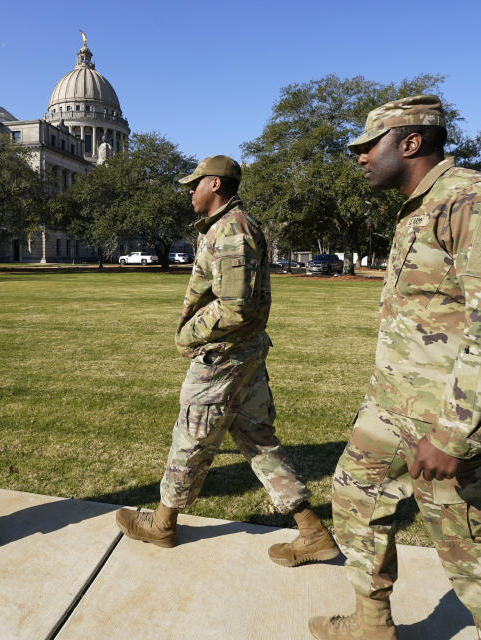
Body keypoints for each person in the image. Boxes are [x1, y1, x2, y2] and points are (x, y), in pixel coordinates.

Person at [309, 96, 481, 640]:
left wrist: (454, 434)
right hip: (393, 409)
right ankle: (372, 626)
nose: (360, 157)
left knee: (479, 559)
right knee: (352, 497)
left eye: (369, 146)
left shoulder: (478, 200)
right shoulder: (419, 206)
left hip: (451, 419)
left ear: (410, 143)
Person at [115, 155, 339, 568]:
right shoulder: (228, 227)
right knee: (258, 441)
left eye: (194, 183)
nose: (189, 190)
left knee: (191, 439)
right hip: (243, 357)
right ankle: (313, 533)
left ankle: (162, 525)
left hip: (223, 359)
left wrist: (189, 332)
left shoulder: (231, 231)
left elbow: (235, 307)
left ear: (215, 184)